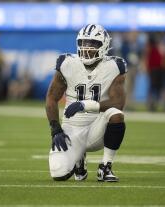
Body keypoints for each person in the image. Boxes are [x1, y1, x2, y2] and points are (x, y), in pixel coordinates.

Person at [46, 24, 127, 182]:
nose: (86, 47)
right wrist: (55, 128)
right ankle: (79, 160)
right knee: (58, 174)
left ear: (104, 45)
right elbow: (51, 98)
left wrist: (86, 105)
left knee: (117, 115)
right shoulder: (67, 63)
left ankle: (105, 167)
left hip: (98, 128)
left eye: (92, 43)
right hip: (72, 130)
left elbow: (118, 103)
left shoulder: (114, 66)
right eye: (83, 43)